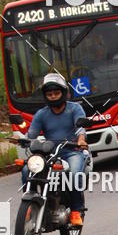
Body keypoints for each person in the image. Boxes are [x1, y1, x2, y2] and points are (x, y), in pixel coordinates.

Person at [25, 73, 88, 226]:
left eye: (56, 93)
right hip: (50, 153)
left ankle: (76, 210)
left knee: (74, 175)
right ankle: (30, 205)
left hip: (72, 151)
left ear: (64, 93)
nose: (53, 96)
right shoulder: (42, 114)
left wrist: (81, 140)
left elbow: (80, 128)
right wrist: (22, 139)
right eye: (49, 94)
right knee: (27, 171)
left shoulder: (75, 109)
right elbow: (31, 134)